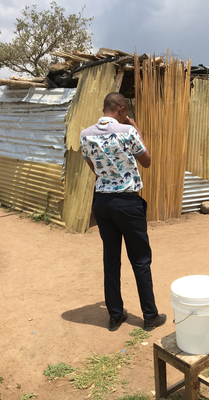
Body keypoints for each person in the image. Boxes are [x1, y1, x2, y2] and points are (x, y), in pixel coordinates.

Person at [80, 92, 166, 332]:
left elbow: (94, 169)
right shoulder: (128, 132)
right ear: (122, 109)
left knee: (111, 259)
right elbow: (146, 161)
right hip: (128, 204)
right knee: (140, 260)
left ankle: (115, 315)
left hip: (103, 204)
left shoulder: (86, 135)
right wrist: (136, 127)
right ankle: (150, 316)